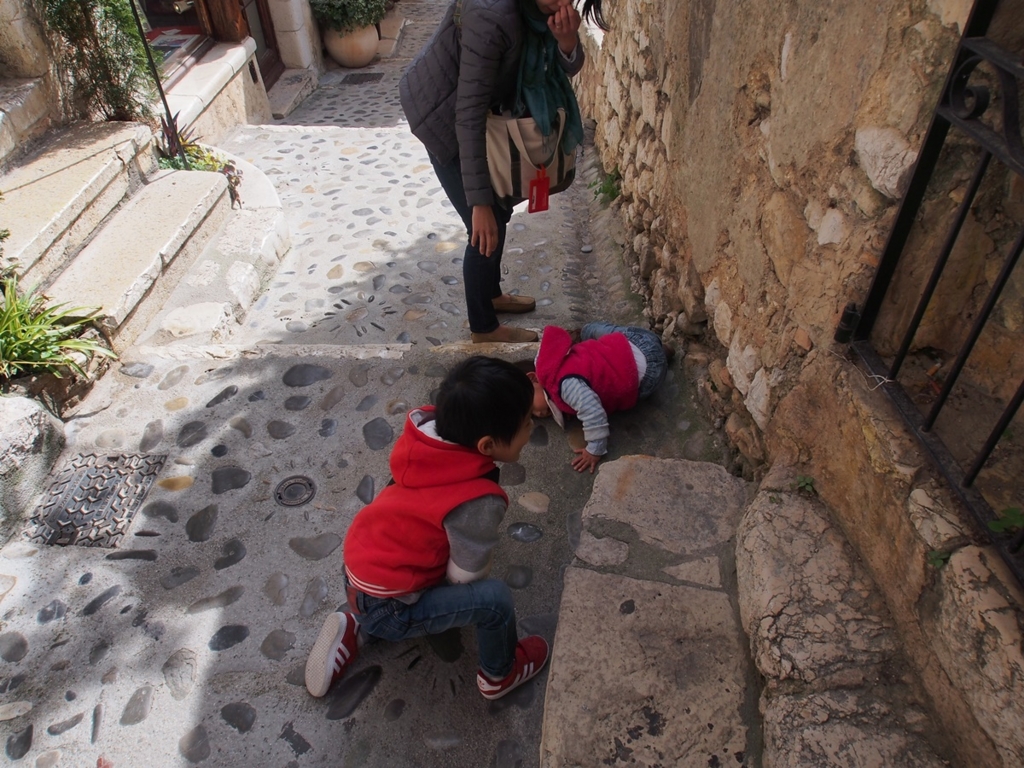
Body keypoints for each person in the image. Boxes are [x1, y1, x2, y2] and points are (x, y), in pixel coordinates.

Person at [305, 356, 547, 701]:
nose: (531, 430)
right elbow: (465, 576)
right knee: (495, 601)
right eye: (525, 423)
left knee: (386, 598)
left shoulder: (423, 443)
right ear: (487, 446)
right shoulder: (477, 501)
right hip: (391, 607)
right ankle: (499, 675)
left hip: (359, 572)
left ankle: (356, 627)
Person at [399, 0, 608, 343]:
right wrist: (478, 202)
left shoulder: (540, 12)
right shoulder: (491, 14)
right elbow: (467, 113)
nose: (563, 2)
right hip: (443, 115)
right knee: (483, 224)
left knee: (500, 210)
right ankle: (484, 328)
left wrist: (567, 41)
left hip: (486, 114)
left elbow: (556, 69)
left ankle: (491, 293)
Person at [525, 322, 670, 473]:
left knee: (591, 333)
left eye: (531, 408)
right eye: (534, 416)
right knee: (591, 330)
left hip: (650, 377)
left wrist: (595, 449)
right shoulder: (549, 363)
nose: (538, 414)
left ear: (533, 379)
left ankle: (661, 355)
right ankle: (661, 351)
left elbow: (593, 412)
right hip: (637, 343)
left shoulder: (564, 386)